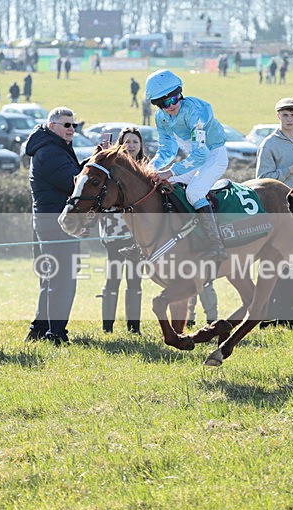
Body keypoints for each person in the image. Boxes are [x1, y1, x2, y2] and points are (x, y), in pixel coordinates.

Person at [145, 69, 228, 262]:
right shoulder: (161, 117)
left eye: (175, 98)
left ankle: (216, 245)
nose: (171, 105)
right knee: (162, 185)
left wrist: (170, 171)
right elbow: (167, 149)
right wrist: (150, 168)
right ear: (157, 105)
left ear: (180, 93)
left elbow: (201, 154)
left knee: (194, 193)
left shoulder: (194, 112)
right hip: (195, 158)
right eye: (163, 103)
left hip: (214, 155)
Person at [25, 107, 85, 344]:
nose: (72, 129)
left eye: (74, 125)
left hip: (49, 220)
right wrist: (97, 163)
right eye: (67, 125)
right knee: (62, 279)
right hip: (57, 222)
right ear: (52, 127)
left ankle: (39, 329)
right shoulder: (50, 152)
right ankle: (56, 333)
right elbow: (75, 183)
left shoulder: (54, 147)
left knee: (51, 279)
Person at [256, 98, 293, 328]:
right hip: (278, 212)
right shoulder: (269, 144)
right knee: (275, 264)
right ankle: (267, 316)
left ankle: (290, 317)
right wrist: (291, 170)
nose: (289, 118)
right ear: (278, 116)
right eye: (285, 115)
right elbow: (262, 179)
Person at [98, 127, 147, 334]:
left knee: (135, 279)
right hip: (115, 230)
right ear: (121, 144)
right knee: (113, 277)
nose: (132, 146)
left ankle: (134, 328)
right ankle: (107, 328)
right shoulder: (112, 167)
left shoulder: (145, 168)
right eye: (127, 141)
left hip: (138, 233)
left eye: (135, 141)